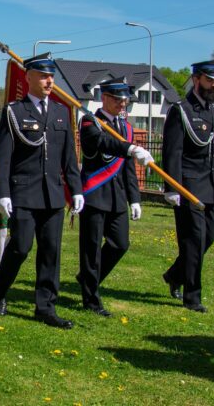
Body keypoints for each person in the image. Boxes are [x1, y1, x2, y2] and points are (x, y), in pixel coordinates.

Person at [0, 54, 83, 329]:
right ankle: (0, 290)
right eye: (43, 76)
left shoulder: (60, 112)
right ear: (28, 77)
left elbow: (69, 157)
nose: (49, 81)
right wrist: (2, 193)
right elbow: (3, 156)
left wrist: (76, 190)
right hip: (24, 192)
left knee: (51, 252)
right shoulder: (14, 112)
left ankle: (45, 307)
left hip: (52, 193)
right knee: (20, 246)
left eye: (51, 76)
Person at [77, 78, 154, 317]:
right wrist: (129, 148)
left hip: (117, 195)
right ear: (105, 98)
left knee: (120, 244)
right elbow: (101, 143)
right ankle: (91, 300)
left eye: (125, 100)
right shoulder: (90, 121)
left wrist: (135, 199)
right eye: (118, 99)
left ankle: (88, 278)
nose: (123, 104)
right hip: (95, 193)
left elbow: (127, 168)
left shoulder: (126, 127)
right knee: (90, 249)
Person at [161, 60, 214, 313]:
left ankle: (174, 274)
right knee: (193, 241)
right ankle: (193, 296)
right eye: (210, 79)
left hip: (211, 185)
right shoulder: (181, 110)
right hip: (188, 186)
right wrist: (171, 186)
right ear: (196, 79)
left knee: (208, 238)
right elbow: (172, 151)